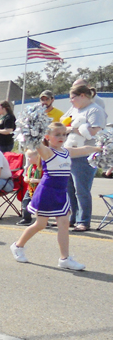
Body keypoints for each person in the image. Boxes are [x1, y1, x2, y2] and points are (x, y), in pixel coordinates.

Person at [10, 123, 99, 270]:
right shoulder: (46, 152)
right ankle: (17, 246)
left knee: (64, 224)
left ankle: (65, 259)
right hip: (47, 192)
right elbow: (34, 141)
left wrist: (100, 148)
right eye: (57, 134)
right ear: (47, 137)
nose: (61, 137)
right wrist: (31, 127)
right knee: (40, 224)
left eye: (64, 134)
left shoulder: (66, 151)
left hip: (61, 192)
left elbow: (85, 149)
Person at [63, 83, 105, 232]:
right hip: (69, 154)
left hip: (85, 156)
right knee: (69, 189)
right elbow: (63, 122)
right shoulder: (75, 109)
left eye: (72, 97)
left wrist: (72, 129)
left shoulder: (94, 110)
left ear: (82, 96)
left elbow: (95, 131)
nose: (71, 101)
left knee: (81, 190)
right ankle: (71, 219)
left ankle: (84, 221)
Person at [17, 149, 42, 226]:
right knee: (25, 202)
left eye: (30, 157)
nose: (28, 159)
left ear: (37, 157)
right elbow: (26, 176)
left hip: (40, 189)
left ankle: (42, 221)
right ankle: (26, 218)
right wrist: (26, 179)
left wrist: (36, 180)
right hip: (30, 189)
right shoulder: (30, 167)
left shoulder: (42, 168)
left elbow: (46, 179)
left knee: (40, 206)